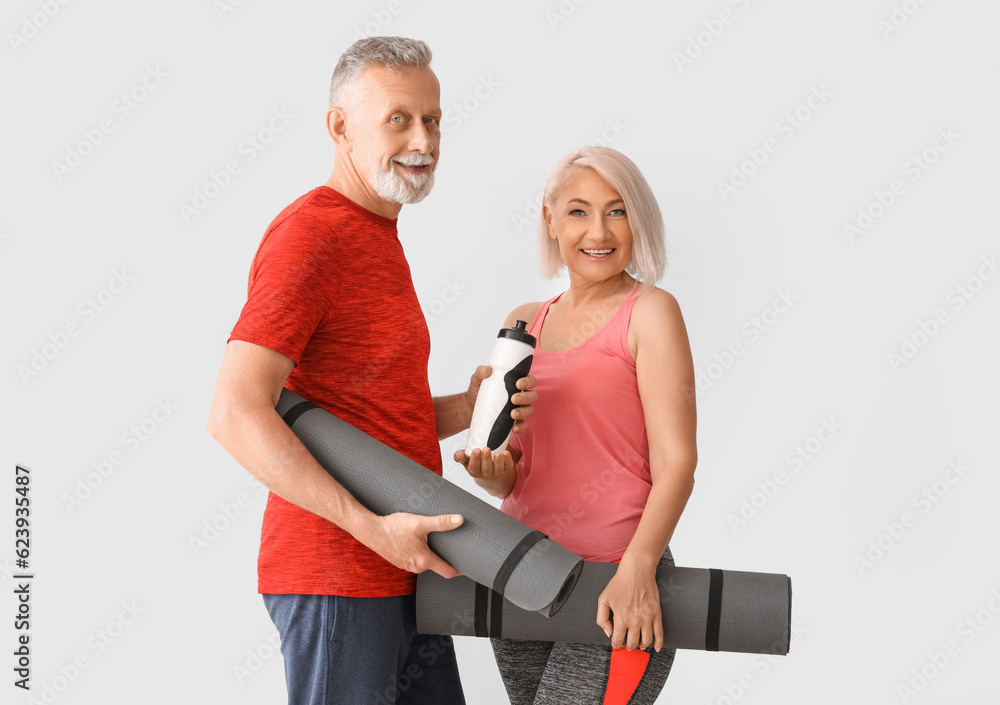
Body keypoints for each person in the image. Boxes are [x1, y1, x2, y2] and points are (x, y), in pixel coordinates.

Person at [205, 37, 538, 705]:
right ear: (339, 126)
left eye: (434, 118)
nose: (424, 138)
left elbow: (369, 411)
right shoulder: (312, 235)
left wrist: (468, 403)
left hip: (405, 567)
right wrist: (371, 529)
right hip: (339, 574)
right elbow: (236, 411)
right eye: (399, 118)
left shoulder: (376, 234)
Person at [457, 146, 697, 705]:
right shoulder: (522, 322)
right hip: (521, 571)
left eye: (617, 211)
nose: (599, 230)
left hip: (615, 578)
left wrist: (638, 571)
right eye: (578, 211)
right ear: (550, 219)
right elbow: (516, 472)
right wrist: (493, 473)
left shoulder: (651, 312)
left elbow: (677, 462)